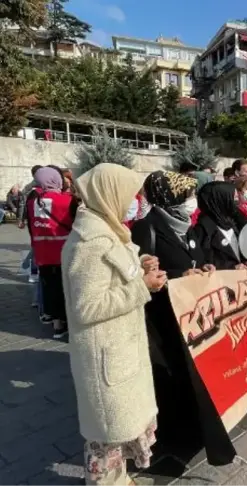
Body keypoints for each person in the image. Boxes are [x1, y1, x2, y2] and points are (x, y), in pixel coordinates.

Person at [61, 163, 168, 485]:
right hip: (105, 355)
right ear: (110, 194)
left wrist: (141, 264)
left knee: (118, 430)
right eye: (127, 194)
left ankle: (119, 480)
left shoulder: (108, 230)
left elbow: (116, 272)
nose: (132, 200)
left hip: (120, 349)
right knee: (106, 436)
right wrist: (141, 287)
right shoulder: (89, 244)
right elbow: (86, 306)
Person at [131, 171, 234, 465]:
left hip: (190, 316)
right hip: (161, 320)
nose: (192, 202)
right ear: (170, 197)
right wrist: (179, 276)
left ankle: (194, 427)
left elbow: (198, 259)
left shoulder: (185, 227)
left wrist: (204, 269)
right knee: (168, 378)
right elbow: (141, 275)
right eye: (187, 196)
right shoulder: (145, 228)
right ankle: (168, 439)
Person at [27, 167, 78, 338]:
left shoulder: (32, 202)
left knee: (49, 287)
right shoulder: (67, 200)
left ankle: (56, 325)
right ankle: (68, 322)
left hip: (42, 253)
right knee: (66, 288)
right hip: (64, 252)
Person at [193, 181, 247, 270]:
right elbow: (203, 263)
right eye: (234, 198)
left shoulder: (233, 222)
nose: (236, 202)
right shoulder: (203, 229)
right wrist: (231, 268)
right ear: (221, 200)